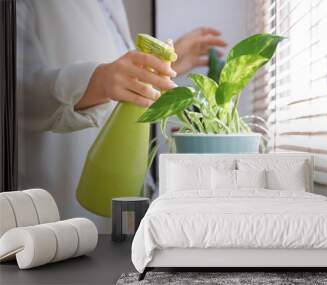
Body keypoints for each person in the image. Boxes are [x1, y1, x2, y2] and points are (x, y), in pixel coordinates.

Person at [16, 0, 226, 231]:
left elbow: (118, 80)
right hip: (54, 213)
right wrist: (99, 82)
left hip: (117, 212)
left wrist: (156, 69)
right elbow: (16, 89)